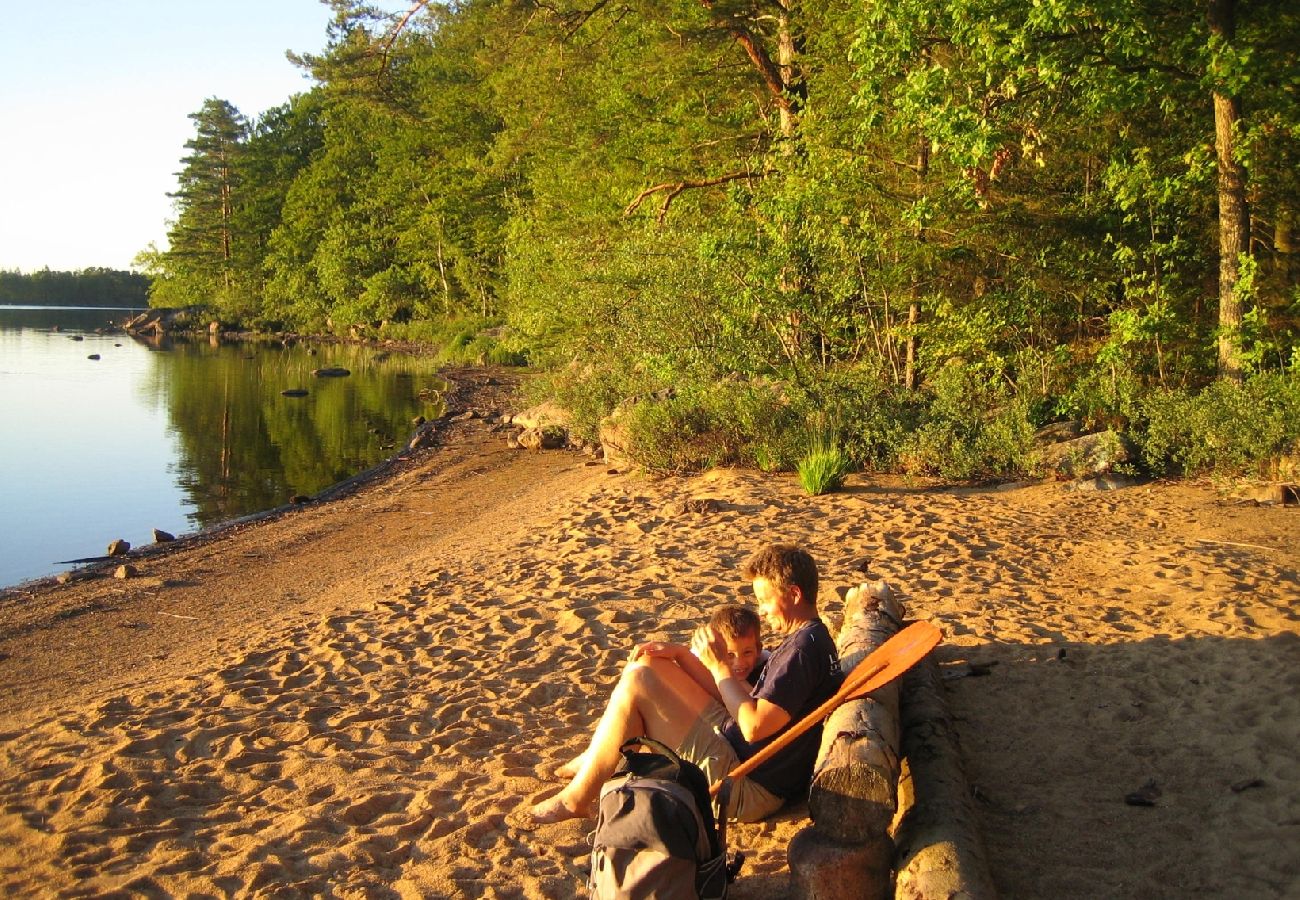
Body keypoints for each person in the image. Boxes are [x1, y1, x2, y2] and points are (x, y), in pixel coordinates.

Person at [522, 544, 843, 826]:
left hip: (745, 784)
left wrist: (720, 668)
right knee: (650, 664)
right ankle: (601, 757)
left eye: (764, 600)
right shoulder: (808, 639)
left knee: (637, 681)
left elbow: (754, 726)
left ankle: (576, 800)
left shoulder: (803, 651)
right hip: (736, 750)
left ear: (794, 594)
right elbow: (739, 702)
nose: (760, 609)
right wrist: (679, 654)